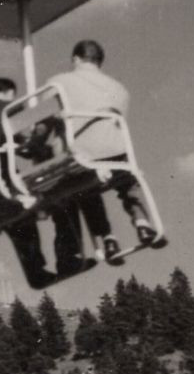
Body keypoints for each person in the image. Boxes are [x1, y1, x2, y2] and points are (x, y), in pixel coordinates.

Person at [43, 39, 163, 263]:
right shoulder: (120, 88)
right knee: (127, 182)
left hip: (83, 152)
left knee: (86, 188)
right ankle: (142, 223)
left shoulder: (59, 82)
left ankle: (107, 237)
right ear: (100, 61)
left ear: (76, 59)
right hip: (117, 150)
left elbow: (43, 115)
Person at [0, 77, 85, 287]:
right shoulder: (11, 108)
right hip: (2, 184)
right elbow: (28, 145)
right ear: (9, 92)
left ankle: (36, 271)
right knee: (63, 194)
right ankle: (68, 258)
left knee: (20, 218)